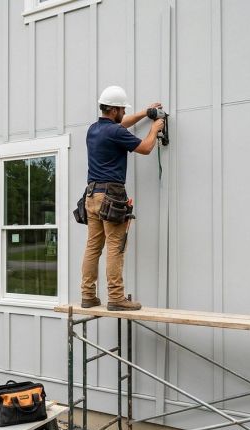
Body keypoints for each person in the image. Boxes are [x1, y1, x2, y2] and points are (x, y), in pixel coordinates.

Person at [80, 85, 164, 311]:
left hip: (92, 195)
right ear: (115, 110)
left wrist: (144, 113)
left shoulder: (93, 129)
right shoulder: (115, 132)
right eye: (123, 111)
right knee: (115, 246)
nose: (125, 114)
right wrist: (154, 128)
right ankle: (116, 298)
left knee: (93, 247)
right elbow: (146, 147)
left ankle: (88, 295)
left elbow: (121, 125)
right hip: (112, 195)